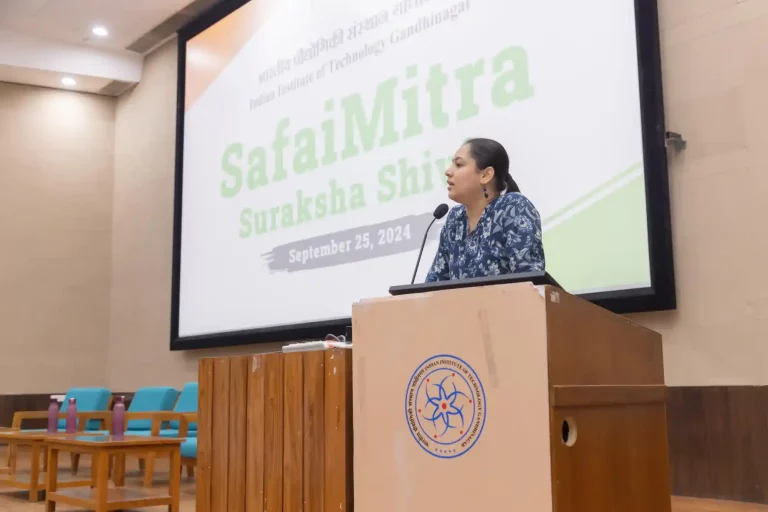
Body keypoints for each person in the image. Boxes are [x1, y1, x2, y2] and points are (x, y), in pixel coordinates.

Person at [425, 138, 545, 282]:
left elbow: (530, 280)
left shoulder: (513, 208)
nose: (448, 171)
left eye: (458, 164)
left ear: (486, 175)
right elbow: (434, 285)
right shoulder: (455, 219)